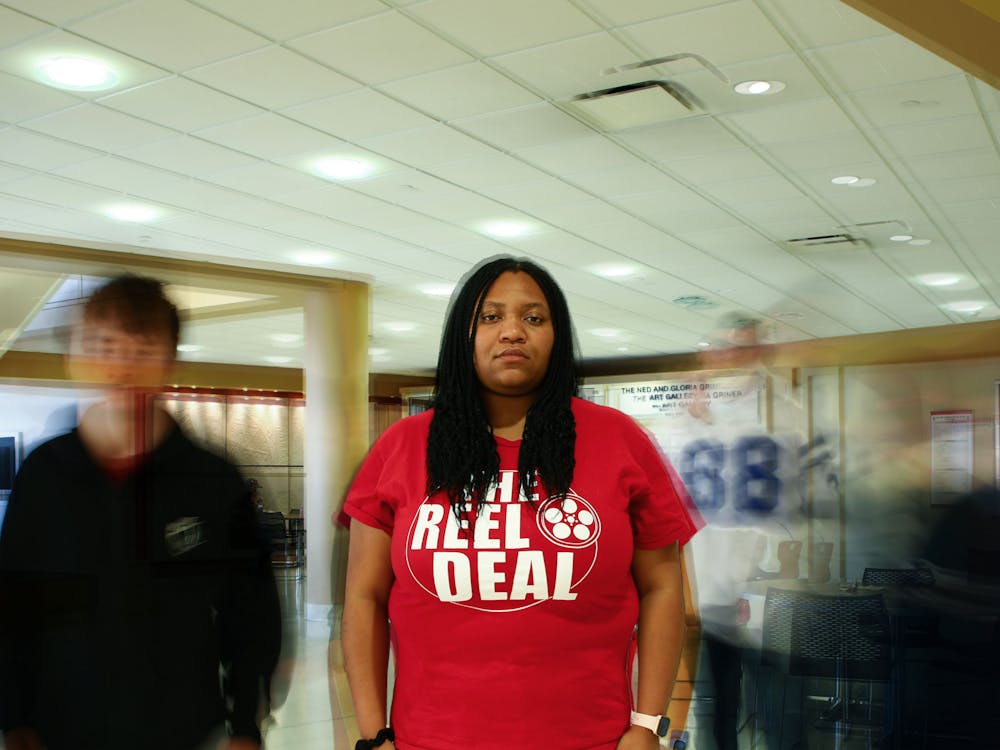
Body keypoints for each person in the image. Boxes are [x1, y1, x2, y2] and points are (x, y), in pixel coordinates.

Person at [341, 256, 700, 750]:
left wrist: (647, 724)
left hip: (591, 738)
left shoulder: (618, 440)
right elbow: (364, 597)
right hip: (428, 739)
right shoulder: (402, 446)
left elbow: (663, 588)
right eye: (490, 317)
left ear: (557, 336)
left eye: (534, 318)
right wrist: (372, 734)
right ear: (461, 334)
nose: (512, 332)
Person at [0, 275, 281, 750]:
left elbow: (250, 612)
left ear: (169, 359)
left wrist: (244, 725)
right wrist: (14, 718)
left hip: (181, 728)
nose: (121, 367)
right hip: (61, 729)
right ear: (76, 357)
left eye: (142, 348)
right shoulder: (45, 476)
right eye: (104, 346)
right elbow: (14, 609)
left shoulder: (211, 479)